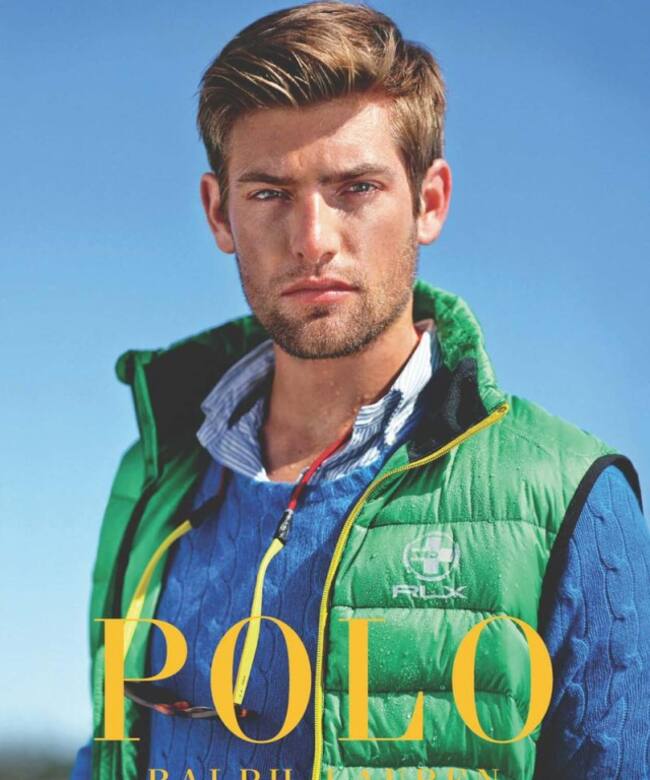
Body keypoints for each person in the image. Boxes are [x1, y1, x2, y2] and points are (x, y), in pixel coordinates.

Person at [71, 3, 650, 779]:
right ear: (218, 213)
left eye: (356, 187)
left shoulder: (568, 494)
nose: (312, 239)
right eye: (269, 194)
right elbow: (110, 750)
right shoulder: (153, 480)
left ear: (429, 202)